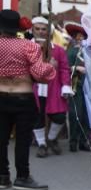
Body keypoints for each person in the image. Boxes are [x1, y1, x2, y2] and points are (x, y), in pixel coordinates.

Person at [0, 9, 54, 190]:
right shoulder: (28, 46)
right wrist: (49, 66)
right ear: (17, 27)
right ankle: (22, 177)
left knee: (1, 139)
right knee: (23, 140)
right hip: (23, 97)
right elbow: (39, 74)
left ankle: (2, 176)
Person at [30, 17, 71, 157]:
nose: (41, 32)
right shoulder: (27, 48)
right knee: (37, 116)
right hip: (34, 88)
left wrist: (65, 85)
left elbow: (65, 69)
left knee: (59, 116)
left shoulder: (58, 50)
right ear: (32, 30)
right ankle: (42, 144)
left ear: (48, 31)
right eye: (37, 29)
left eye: (44, 29)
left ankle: (52, 139)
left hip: (53, 88)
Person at [65, 21, 91, 152]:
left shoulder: (90, 52)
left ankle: (84, 141)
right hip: (76, 86)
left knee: (87, 116)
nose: (80, 38)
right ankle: (73, 141)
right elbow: (64, 68)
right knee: (75, 114)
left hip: (89, 87)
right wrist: (77, 68)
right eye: (78, 35)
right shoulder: (70, 51)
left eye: (83, 36)